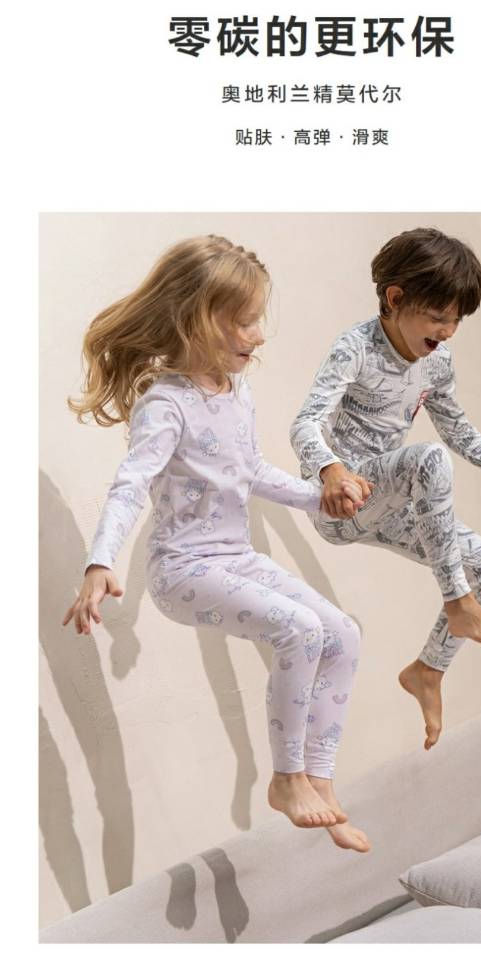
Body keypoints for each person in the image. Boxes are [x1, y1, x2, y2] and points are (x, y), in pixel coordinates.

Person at [62, 235, 372, 853]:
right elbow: (130, 485)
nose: (258, 336)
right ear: (196, 318)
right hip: (184, 570)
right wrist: (100, 562)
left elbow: (249, 469)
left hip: (237, 558)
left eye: (258, 320)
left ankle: (318, 777)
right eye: (244, 321)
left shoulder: (237, 391)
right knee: (299, 630)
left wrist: (318, 497)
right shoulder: (165, 404)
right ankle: (287, 780)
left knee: (341, 632)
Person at [290, 227, 481, 750]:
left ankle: (427, 670)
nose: (447, 331)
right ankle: (459, 602)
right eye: (437, 317)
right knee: (427, 459)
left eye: (457, 320)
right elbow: (305, 423)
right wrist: (331, 470)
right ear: (395, 298)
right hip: (343, 501)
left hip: (390, 505)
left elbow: (461, 433)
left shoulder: (437, 363)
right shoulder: (356, 348)